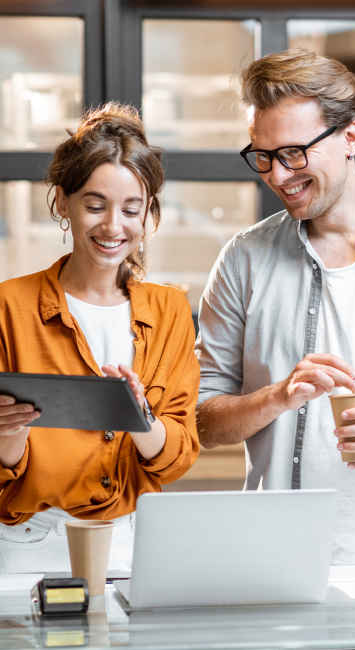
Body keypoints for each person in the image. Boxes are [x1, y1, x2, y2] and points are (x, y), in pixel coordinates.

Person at [0, 102, 199, 572]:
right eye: (95, 205)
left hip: (136, 543)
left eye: (132, 209)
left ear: (149, 213)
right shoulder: (8, 307)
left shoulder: (169, 310)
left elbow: (176, 457)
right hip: (28, 543)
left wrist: (140, 417)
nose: (113, 226)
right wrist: (10, 435)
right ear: (62, 202)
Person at [196, 48, 355, 564]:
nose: (276, 175)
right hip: (276, 562)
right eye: (262, 156)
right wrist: (276, 397)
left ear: (351, 138)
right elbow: (202, 421)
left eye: (293, 152)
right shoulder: (244, 259)